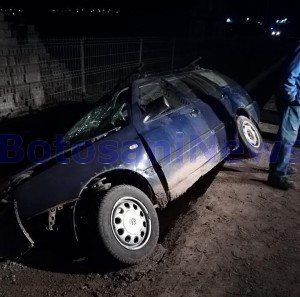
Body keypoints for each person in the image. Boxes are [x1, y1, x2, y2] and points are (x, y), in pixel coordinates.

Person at [268, 43, 300, 189]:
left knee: (285, 136)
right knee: (287, 137)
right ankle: (277, 175)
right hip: (292, 102)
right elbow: (289, 76)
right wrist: (293, 98)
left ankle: (279, 166)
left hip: (293, 100)